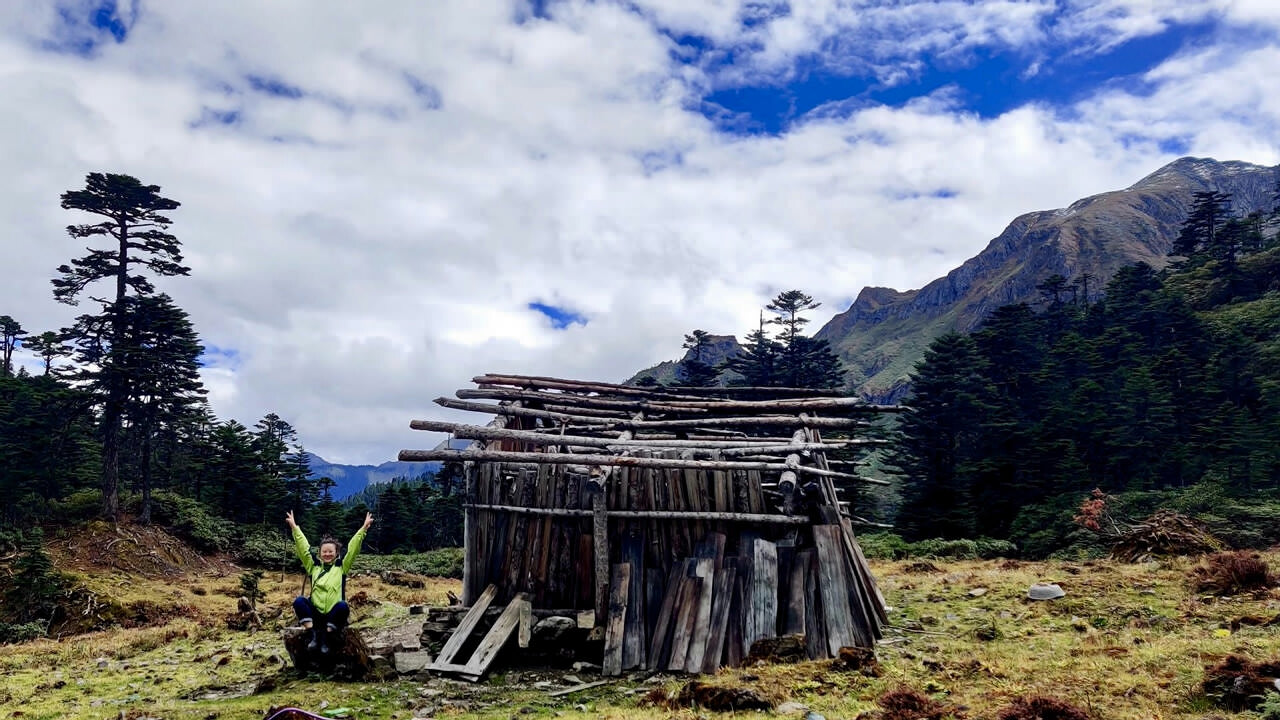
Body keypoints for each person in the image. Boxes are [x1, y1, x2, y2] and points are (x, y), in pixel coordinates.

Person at [286, 510, 373, 654]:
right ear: (319, 553)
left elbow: (352, 550)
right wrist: (295, 528)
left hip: (333, 614)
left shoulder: (341, 567)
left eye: (330, 551)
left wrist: (363, 530)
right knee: (299, 601)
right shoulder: (313, 566)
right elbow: (303, 550)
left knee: (343, 606)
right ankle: (313, 633)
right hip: (316, 613)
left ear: (336, 553)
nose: (327, 554)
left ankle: (326, 636)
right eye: (324, 551)